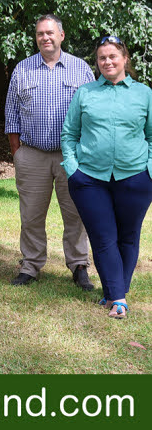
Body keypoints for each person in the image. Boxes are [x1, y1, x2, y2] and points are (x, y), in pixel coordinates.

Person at [61, 36, 152, 319]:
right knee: (103, 238)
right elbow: (69, 134)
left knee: (128, 237)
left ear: (125, 59)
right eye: (102, 58)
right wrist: (72, 169)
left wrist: (150, 169)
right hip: (89, 179)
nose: (108, 62)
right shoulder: (85, 93)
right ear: (97, 63)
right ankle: (119, 300)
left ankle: (114, 293)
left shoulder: (144, 94)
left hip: (135, 177)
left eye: (113, 56)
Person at [4, 13, 95, 289]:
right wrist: (18, 153)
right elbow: (11, 117)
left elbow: (92, 113)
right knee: (31, 215)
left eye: (50, 33)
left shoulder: (81, 69)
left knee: (76, 214)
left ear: (61, 36)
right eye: (40, 33)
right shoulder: (23, 69)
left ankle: (79, 265)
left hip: (72, 156)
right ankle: (30, 266)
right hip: (32, 154)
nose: (45, 37)